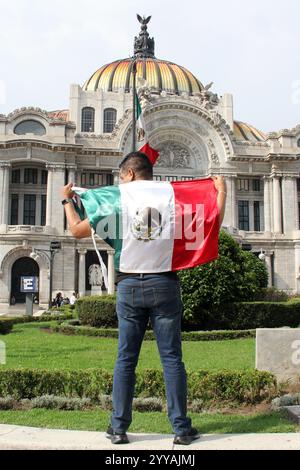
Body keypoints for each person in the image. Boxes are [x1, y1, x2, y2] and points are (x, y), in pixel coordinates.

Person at [60, 152, 227, 445]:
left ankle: (118, 428)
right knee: (172, 359)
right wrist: (221, 191)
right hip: (164, 283)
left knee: (126, 359)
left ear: (130, 174)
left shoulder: (117, 198)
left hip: (129, 286)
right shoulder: (171, 195)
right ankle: (181, 429)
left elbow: (76, 231)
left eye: (121, 175)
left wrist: (66, 201)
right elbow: (211, 221)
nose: (120, 179)